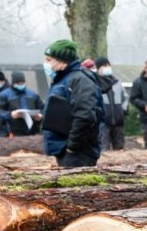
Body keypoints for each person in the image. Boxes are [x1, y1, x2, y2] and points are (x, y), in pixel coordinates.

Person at [40, 38, 103, 168]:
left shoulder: (80, 80)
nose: (45, 64)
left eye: (49, 60)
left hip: (78, 153)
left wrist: (72, 146)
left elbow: (85, 115)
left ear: (63, 62)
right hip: (64, 150)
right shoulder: (62, 80)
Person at [0, 71, 43, 137]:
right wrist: (10, 115)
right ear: (13, 83)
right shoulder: (5, 95)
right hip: (12, 132)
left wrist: (40, 116)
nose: (20, 85)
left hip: (32, 132)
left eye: (22, 83)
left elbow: (43, 108)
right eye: (18, 83)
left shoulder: (33, 94)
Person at [94, 57, 127, 151]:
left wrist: (123, 109)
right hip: (103, 122)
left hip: (118, 121)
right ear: (98, 68)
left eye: (109, 65)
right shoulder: (95, 83)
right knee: (104, 149)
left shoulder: (117, 82)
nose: (107, 67)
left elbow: (125, 97)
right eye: (104, 66)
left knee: (120, 148)